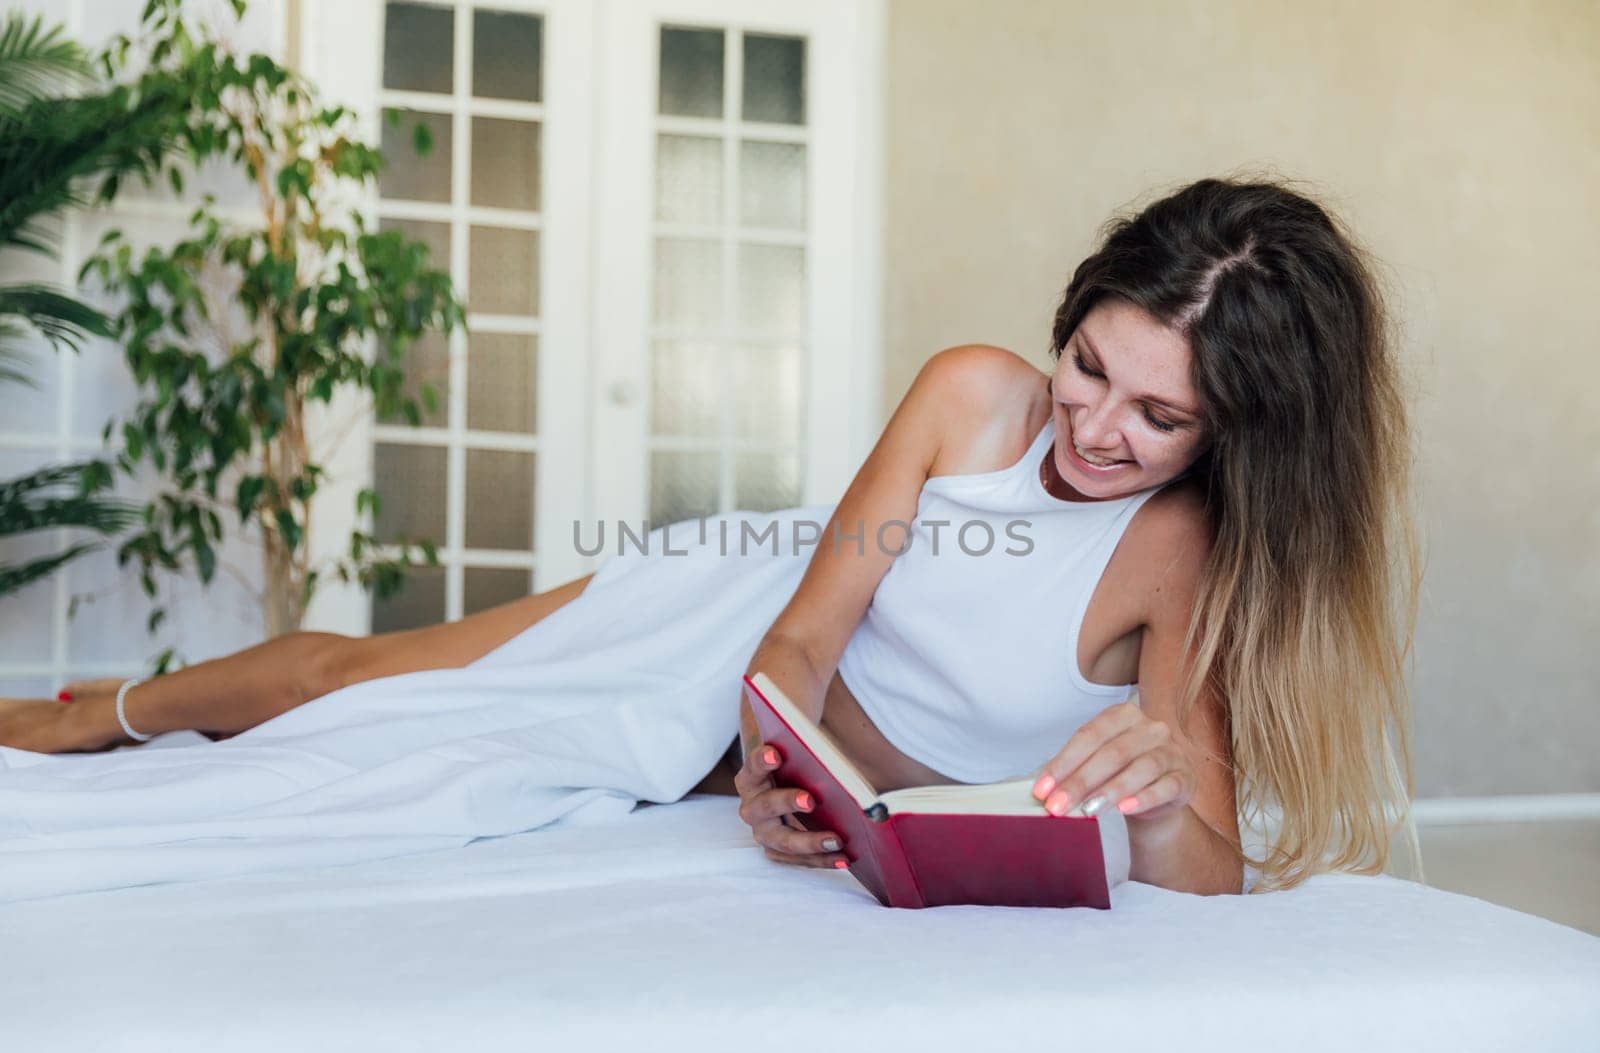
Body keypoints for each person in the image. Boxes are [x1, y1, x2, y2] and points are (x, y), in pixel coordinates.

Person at [0, 176, 1420, 896]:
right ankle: (86, 721)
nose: (1097, 427)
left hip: (791, 718)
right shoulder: (975, 393)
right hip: (733, 615)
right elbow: (807, 629)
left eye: (1160, 417)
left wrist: (1164, 784)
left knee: (439, 773)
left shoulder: (1182, 560)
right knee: (367, 693)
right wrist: (771, 750)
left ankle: (108, 726)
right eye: (1090, 365)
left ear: (1237, 434)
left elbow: (1215, 872)